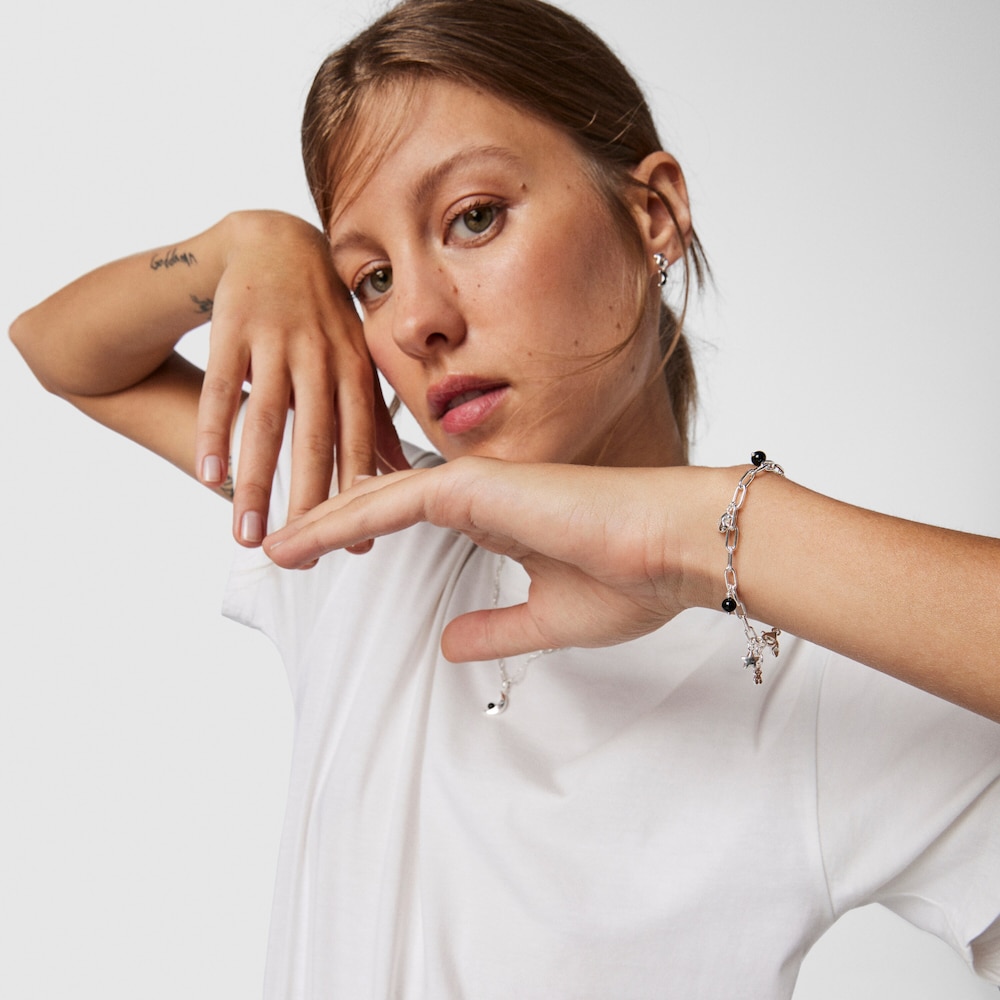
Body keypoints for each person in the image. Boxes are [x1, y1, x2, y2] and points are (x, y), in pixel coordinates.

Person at [8, 0, 1000, 996]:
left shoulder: (808, 686)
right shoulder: (372, 531)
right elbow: (66, 354)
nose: (420, 319)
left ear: (650, 213)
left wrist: (700, 533)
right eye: (372, 277)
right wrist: (235, 250)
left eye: (474, 217)